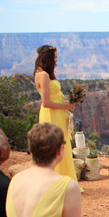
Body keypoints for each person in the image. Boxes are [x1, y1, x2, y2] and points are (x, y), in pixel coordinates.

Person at [33, 45, 78, 183]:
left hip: (57, 113)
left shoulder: (41, 73)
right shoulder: (44, 75)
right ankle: (57, 181)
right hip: (52, 115)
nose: (56, 61)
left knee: (61, 145)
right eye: (55, 58)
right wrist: (65, 106)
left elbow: (52, 97)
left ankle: (63, 179)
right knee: (56, 145)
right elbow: (45, 102)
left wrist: (65, 102)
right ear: (48, 58)